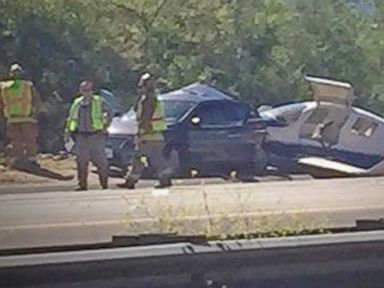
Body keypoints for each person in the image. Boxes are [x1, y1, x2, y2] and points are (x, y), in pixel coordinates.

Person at [118, 73, 172, 189]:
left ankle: (131, 181)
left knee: (139, 158)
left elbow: (145, 117)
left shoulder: (148, 100)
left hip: (148, 135)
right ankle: (165, 178)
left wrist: (141, 132)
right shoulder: (154, 98)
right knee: (156, 158)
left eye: (141, 86)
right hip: (156, 134)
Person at [65, 80, 111, 191]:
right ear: (80, 91)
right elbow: (71, 117)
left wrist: (105, 125)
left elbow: (110, 112)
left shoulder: (98, 101)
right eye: (84, 90)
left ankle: (104, 184)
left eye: (89, 90)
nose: (87, 92)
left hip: (96, 135)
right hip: (81, 136)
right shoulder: (77, 103)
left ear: (92, 91)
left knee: (101, 161)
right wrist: (67, 131)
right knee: (81, 161)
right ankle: (82, 185)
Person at [0, 63, 45, 167]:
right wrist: (38, 112)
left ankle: (18, 159)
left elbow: (2, 103)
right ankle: (31, 160)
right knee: (29, 139)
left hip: (12, 117)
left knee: (16, 139)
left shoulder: (4, 87)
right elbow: (36, 100)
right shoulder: (27, 85)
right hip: (27, 116)